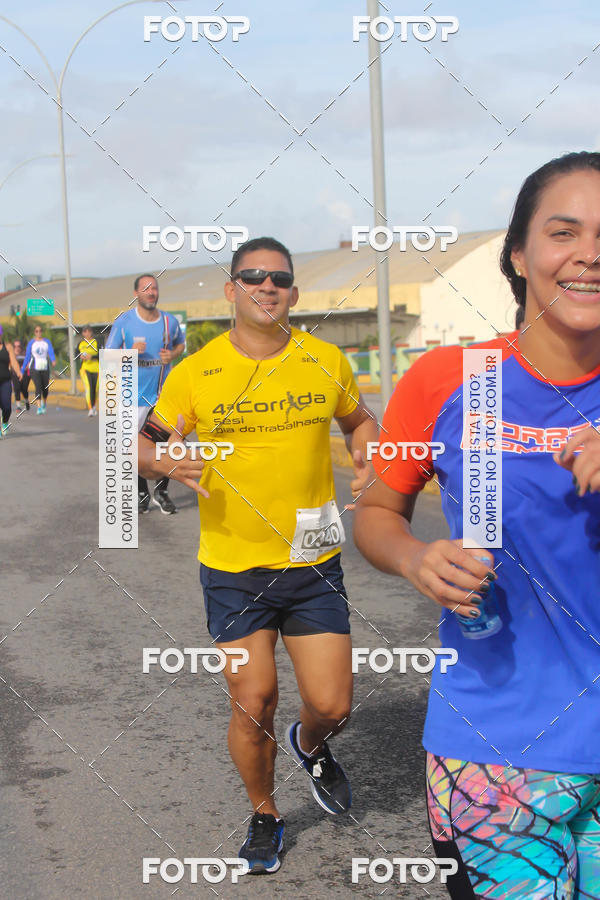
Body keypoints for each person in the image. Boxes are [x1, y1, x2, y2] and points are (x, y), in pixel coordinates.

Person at [354, 151, 600, 899]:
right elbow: (375, 512)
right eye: (565, 233)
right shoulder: (449, 380)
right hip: (495, 749)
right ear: (520, 255)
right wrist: (413, 558)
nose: (589, 255)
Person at [138, 237, 378, 875]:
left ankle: (309, 742)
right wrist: (163, 458)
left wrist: (366, 452)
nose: (266, 287)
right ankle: (265, 812)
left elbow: (359, 420)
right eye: (252, 277)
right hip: (234, 569)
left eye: (279, 279)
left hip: (313, 563)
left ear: (294, 293)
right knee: (255, 700)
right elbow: (139, 444)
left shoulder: (326, 360)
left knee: (332, 705)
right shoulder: (196, 371)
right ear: (231, 290)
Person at [105, 274, 185, 514]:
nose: (151, 292)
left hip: (162, 396)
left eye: (155, 288)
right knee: (133, 448)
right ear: (136, 294)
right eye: (146, 289)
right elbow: (108, 357)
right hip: (132, 398)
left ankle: (161, 492)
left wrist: (172, 355)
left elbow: (180, 344)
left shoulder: (169, 322)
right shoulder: (124, 322)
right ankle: (141, 493)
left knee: (166, 445)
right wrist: (128, 352)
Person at [23, 325, 56, 415]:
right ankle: (39, 407)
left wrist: (53, 360)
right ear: (35, 332)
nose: (39, 332)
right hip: (34, 368)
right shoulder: (31, 343)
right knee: (38, 386)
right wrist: (23, 369)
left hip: (45, 367)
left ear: (42, 332)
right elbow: (27, 356)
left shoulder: (46, 342)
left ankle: (44, 403)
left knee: (45, 388)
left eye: (40, 331)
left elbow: (51, 351)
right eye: (37, 331)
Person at [0, 325, 22, 436]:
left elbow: (13, 361)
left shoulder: (8, 347)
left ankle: (4, 422)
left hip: (5, 381)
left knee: (7, 406)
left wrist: (18, 372)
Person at [78, 325, 99, 417]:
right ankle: (90, 408)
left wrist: (92, 357)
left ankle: (94, 406)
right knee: (89, 388)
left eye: (89, 331)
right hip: (85, 369)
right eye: (85, 331)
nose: (87, 333)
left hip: (97, 369)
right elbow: (75, 355)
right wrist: (80, 356)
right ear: (83, 333)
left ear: (92, 332)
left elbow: (103, 354)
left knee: (95, 389)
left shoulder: (97, 342)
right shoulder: (81, 344)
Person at [11, 338, 28, 411]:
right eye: (15, 346)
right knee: (17, 389)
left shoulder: (24, 353)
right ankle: (18, 406)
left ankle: (26, 400)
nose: (17, 348)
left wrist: (24, 368)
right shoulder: (11, 354)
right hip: (14, 374)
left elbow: (28, 363)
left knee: (24, 389)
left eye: (19, 346)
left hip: (24, 374)